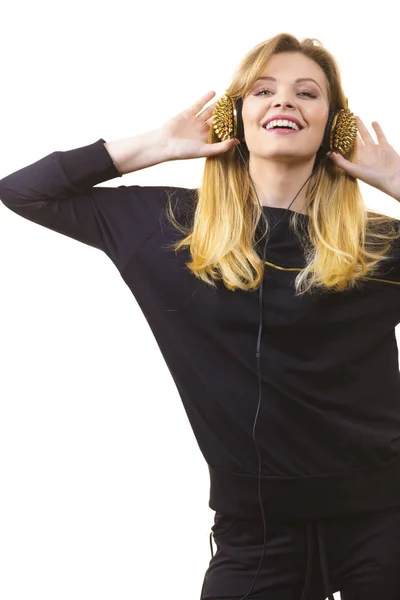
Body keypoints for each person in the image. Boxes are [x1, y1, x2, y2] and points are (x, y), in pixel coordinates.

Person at [1, 32, 400, 600]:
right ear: (236, 117)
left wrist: (395, 181)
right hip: (255, 535)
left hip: (384, 523)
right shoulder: (166, 229)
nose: (284, 101)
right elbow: (24, 192)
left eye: (307, 93)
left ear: (335, 127)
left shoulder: (377, 246)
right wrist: (159, 144)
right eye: (264, 89)